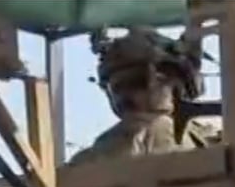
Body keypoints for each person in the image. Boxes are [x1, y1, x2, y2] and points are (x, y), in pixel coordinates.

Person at [68, 29, 216, 169]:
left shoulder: (85, 161)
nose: (125, 95)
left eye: (136, 82)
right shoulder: (212, 143)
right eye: (117, 87)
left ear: (176, 84)